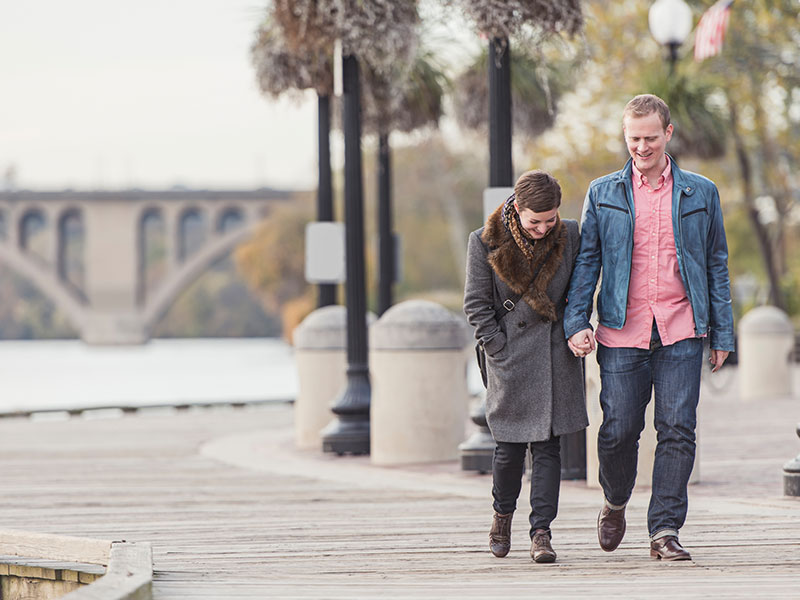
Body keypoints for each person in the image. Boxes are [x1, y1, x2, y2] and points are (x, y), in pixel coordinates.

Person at [564, 94, 735, 561]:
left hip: (682, 328)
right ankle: (615, 502)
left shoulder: (701, 192)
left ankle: (664, 530)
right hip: (622, 331)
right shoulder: (603, 193)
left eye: (650, 138)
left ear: (668, 134)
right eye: (633, 138)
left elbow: (715, 263)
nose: (641, 147)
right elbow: (588, 263)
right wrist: (576, 320)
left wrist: (722, 333)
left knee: (678, 428)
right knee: (619, 430)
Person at [464, 169, 588, 563]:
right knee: (509, 449)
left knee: (549, 448)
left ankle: (541, 533)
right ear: (516, 209)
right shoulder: (484, 241)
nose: (543, 228)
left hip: (554, 353)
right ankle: (502, 518)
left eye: (550, 219)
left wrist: (578, 328)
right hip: (510, 356)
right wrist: (497, 346)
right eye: (535, 221)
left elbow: (579, 291)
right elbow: (476, 304)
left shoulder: (569, 234)